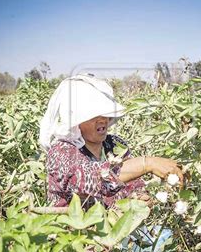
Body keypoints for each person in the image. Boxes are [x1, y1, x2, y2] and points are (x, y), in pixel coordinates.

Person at [39, 74, 183, 208]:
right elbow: (90, 182)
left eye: (105, 114)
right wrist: (146, 163)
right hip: (74, 232)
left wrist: (138, 196)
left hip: (116, 229)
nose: (102, 119)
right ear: (76, 121)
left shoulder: (114, 144)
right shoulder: (61, 151)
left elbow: (133, 183)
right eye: (93, 115)